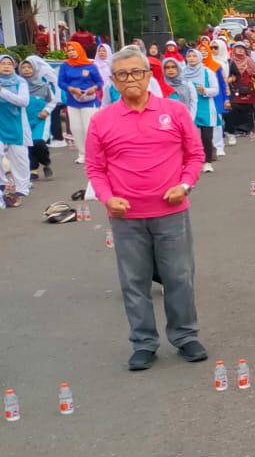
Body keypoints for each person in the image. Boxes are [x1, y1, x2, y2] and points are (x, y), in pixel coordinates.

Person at [85, 47, 207, 371]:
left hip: (171, 211)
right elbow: (95, 168)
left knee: (179, 277)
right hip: (126, 216)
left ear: (149, 76)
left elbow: (195, 155)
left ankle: (185, 336)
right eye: (122, 74)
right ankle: (143, 343)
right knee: (134, 282)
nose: (131, 79)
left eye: (137, 72)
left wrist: (184, 185)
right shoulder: (101, 120)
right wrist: (107, 198)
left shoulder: (174, 111)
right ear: (113, 81)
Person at [57, 41, 104, 165]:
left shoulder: (90, 66)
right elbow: (61, 82)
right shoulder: (65, 66)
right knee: (76, 128)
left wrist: (94, 88)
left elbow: (99, 82)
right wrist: (71, 89)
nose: (71, 52)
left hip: (89, 100)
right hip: (73, 100)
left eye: (73, 50)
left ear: (79, 50)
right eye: (69, 50)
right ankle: (82, 154)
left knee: (88, 128)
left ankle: (93, 154)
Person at [0, 55, 34, 201]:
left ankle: (22, 188)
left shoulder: (20, 82)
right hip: (1, 124)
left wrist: (2, 91)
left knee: (20, 159)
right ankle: (2, 183)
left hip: (17, 125)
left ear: (14, 66)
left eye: (9, 63)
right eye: (3, 63)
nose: (6, 66)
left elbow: (23, 101)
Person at [20, 57, 57, 181]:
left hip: (40, 120)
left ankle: (46, 162)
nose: (26, 70)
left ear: (35, 69)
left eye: (29, 67)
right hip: (24, 120)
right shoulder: (18, 86)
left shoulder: (44, 86)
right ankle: (33, 169)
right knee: (28, 145)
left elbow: (53, 101)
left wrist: (46, 111)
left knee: (38, 142)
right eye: (23, 67)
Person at [225, 43, 255, 139]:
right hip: (235, 88)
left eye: (242, 48)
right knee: (235, 108)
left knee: (247, 109)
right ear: (234, 50)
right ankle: (237, 129)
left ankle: (248, 129)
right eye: (238, 48)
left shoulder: (249, 60)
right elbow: (226, 75)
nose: (240, 50)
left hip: (248, 88)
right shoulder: (230, 61)